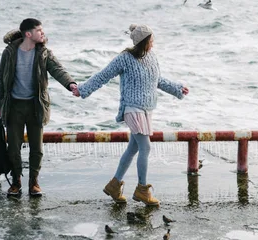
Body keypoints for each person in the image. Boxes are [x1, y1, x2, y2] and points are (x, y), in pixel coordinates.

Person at [72, 24, 189, 206]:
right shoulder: (124, 58)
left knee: (133, 148)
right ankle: (142, 189)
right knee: (146, 147)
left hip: (147, 109)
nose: (153, 42)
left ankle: (114, 184)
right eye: (151, 39)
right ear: (144, 41)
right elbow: (103, 75)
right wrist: (82, 90)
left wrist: (177, 89)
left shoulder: (151, 57)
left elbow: (157, 80)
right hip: (132, 109)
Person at [0, 18, 77, 197]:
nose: (43, 33)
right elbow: (1, 79)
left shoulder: (44, 53)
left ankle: (34, 182)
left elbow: (58, 70)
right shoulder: (10, 52)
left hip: (36, 106)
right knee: (13, 148)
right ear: (28, 34)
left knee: (37, 148)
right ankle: (16, 181)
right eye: (39, 30)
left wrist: (71, 84)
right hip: (14, 106)